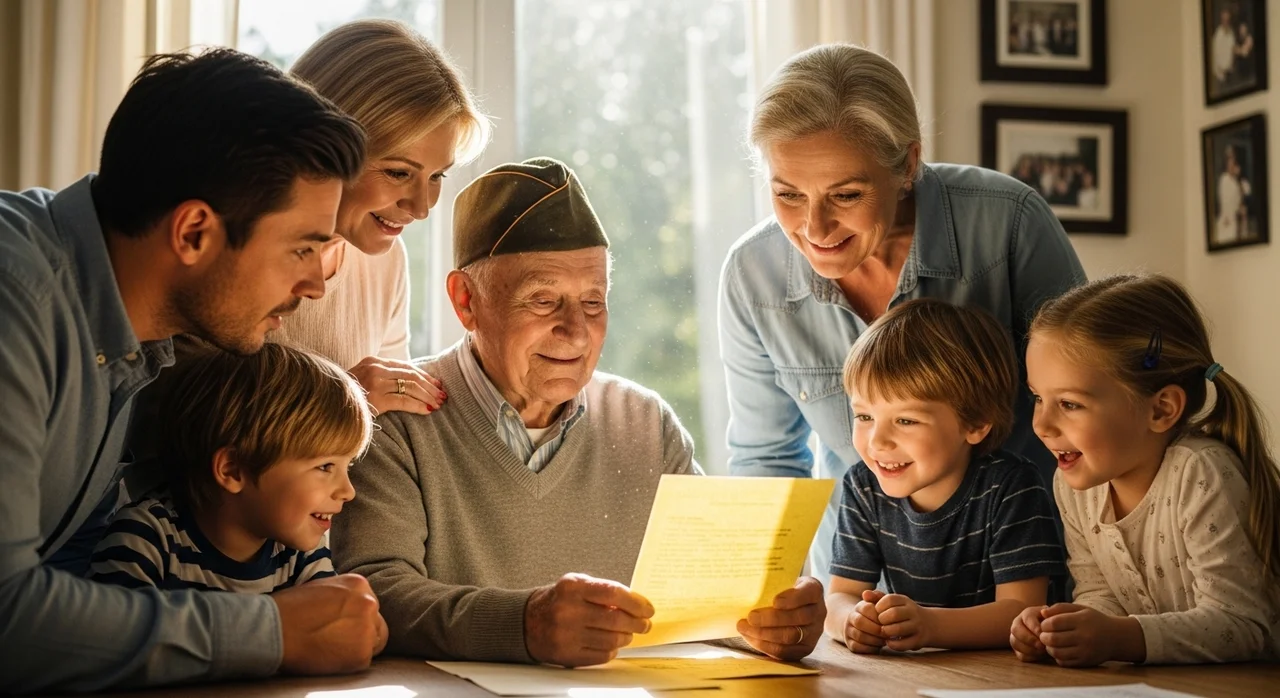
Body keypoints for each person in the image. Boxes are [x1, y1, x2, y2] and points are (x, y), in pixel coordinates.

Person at [334, 157, 827, 667]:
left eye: (593, 302)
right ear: (466, 302)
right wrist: (523, 625)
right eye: (544, 301)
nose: (576, 331)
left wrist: (772, 620)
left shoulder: (646, 424)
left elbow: (711, 599)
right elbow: (376, 591)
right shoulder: (395, 418)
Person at [0, 49, 384, 694]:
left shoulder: (136, 346)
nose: (318, 282)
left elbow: (71, 581)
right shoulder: (17, 299)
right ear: (195, 232)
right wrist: (273, 631)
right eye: (303, 246)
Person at [719, 43, 1085, 586]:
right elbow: (767, 462)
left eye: (845, 194)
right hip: (862, 604)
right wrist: (768, 601)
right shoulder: (754, 274)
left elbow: (1090, 409)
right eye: (788, 194)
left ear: (908, 165)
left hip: (1032, 587)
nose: (815, 229)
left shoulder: (1008, 223)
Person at [1012, 274, 1280, 666]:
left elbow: (1244, 624)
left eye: (1069, 404)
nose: (1041, 425)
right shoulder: (1075, 486)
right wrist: (1063, 627)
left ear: (1161, 409)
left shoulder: (1201, 474)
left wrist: (1119, 638)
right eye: (1038, 397)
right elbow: (1100, 594)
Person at [279, 19, 490, 417]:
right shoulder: (233, 253)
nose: (421, 208)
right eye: (398, 173)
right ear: (323, 146)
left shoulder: (387, 262)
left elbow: (392, 427)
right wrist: (341, 400)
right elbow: (184, 431)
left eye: (436, 176)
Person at [827, 300, 1064, 654]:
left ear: (976, 424)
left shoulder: (1012, 487)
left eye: (905, 420)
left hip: (1007, 677)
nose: (877, 441)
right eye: (864, 417)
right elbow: (838, 596)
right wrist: (852, 620)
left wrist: (930, 625)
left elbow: (1022, 611)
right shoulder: (863, 486)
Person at [91, 344, 374, 596]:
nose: (348, 492)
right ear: (232, 470)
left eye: (346, 466)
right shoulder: (143, 542)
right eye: (325, 466)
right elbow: (116, 647)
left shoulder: (299, 553)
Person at [1213, 8, 1236, 84]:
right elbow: (1216, 55)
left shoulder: (1231, 32)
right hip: (1221, 75)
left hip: (1231, 73)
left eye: (1228, 19)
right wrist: (1220, 74)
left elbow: (1233, 49)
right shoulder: (1218, 34)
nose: (1226, 21)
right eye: (1224, 19)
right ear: (1221, 20)